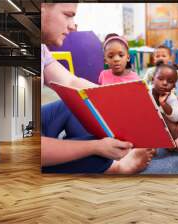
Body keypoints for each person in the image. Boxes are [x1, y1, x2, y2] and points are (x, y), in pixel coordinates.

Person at [40, 3, 153, 174]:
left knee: (76, 103)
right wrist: (95, 147)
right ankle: (117, 168)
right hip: (19, 142)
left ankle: (90, 154)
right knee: (100, 152)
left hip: (36, 121)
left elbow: (70, 82)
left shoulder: (41, 49)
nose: (72, 25)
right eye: (67, 14)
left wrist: (122, 99)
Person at [151, 61, 178, 141]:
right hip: (148, 125)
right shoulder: (146, 92)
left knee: (162, 116)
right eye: (160, 79)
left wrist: (164, 104)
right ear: (152, 79)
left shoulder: (171, 98)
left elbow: (176, 118)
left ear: (174, 86)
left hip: (165, 128)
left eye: (170, 81)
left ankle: (177, 141)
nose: (165, 83)